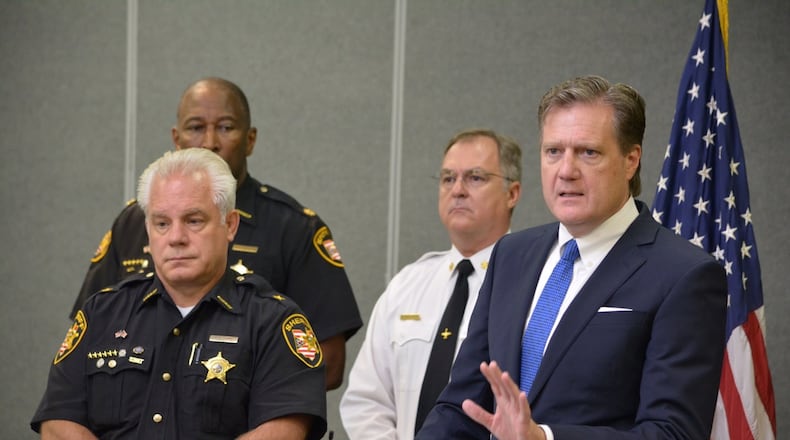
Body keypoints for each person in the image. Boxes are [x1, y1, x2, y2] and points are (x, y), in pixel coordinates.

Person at [416, 75, 728, 439]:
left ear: (631, 160)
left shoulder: (684, 274)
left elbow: (673, 433)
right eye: (553, 152)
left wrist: (544, 438)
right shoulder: (511, 255)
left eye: (588, 152)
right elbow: (461, 406)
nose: (566, 171)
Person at [69, 77, 361, 390]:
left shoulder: (293, 227)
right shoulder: (134, 220)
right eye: (196, 127)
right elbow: (86, 338)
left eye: (225, 127)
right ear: (176, 139)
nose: (209, 142)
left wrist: (227, 393)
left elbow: (329, 364)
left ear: (250, 140)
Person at [32, 148, 326, 439]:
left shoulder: (272, 321)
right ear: (148, 229)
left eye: (193, 221)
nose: (176, 238)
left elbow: (284, 431)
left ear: (230, 224)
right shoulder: (101, 313)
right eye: (162, 223)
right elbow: (57, 423)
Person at [340, 129, 522, 439]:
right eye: (448, 178)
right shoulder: (407, 285)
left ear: (512, 193)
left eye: (475, 177)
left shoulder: (532, 285)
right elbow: (366, 400)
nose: (458, 190)